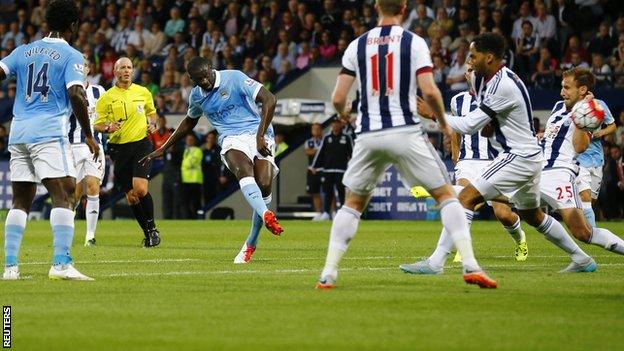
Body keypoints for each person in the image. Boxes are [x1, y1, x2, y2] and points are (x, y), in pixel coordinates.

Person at [315, 0, 497, 290]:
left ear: (376, 7)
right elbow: (428, 89)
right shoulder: (413, 42)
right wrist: (442, 121)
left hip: (368, 134)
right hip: (405, 131)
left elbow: (338, 97)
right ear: (403, 8)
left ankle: (328, 272)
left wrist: (344, 115)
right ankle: (471, 265)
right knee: (447, 196)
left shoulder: (356, 46)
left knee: (352, 204)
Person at [404, 33, 596, 275]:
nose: (469, 61)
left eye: (473, 56)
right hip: (530, 157)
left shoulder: (501, 85)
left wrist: (433, 114)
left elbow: (470, 126)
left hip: (518, 158)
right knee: (533, 216)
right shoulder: (495, 80)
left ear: (490, 57)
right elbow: (487, 127)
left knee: (466, 198)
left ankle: (435, 263)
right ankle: (581, 258)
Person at [140, 56, 283, 264]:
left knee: (264, 184)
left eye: (205, 77)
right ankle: (266, 215)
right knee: (243, 170)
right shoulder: (197, 95)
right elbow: (189, 122)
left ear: (211, 69)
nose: (204, 82)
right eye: (198, 80)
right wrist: (164, 147)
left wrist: (260, 136)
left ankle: (251, 243)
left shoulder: (234, 78)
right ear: (191, 79)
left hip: (258, 132)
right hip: (231, 138)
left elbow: (270, 99)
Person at [1, 0, 98, 281]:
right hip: (48, 132)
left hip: (18, 132)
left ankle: (10, 268)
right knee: (66, 194)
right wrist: (89, 135)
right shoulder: (71, 56)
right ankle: (60, 264)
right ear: (73, 25)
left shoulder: (23, 50)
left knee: (20, 200)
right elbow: (77, 94)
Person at [538, 67, 624, 256]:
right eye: (562, 87)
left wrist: (589, 123)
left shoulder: (594, 108)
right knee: (524, 209)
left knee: (586, 217)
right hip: (551, 168)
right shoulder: (557, 107)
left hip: (579, 164)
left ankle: (586, 249)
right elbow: (556, 132)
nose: (562, 92)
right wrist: (544, 135)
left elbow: (581, 145)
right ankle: (583, 254)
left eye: (567, 88)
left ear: (583, 89)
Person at [447, 64, 528, 262]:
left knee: (503, 214)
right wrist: (455, 154)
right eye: (467, 70)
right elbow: (455, 130)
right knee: (464, 201)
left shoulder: (497, 95)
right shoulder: (457, 101)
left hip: (494, 161)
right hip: (467, 161)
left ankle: (520, 238)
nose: (469, 73)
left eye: (473, 70)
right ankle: (462, 248)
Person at [93, 57, 161, 247]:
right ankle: (147, 233)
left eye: (129, 67)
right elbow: (96, 124)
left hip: (141, 144)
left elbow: (151, 112)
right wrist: (108, 128)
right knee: (131, 196)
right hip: (118, 149)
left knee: (140, 189)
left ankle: (153, 228)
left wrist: (153, 123)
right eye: (122, 67)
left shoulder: (143, 92)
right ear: (115, 72)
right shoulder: (106, 97)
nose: (126, 71)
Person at [69, 58, 106, 247]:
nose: (80, 67)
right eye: (78, 64)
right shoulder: (67, 90)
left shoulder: (100, 92)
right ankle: (67, 229)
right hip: (71, 146)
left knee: (93, 187)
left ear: (89, 69)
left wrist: (106, 128)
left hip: (94, 146)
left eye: (83, 64)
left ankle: (90, 236)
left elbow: (105, 117)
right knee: (73, 194)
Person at [575, 86, 616, 228]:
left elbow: (612, 126)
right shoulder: (573, 107)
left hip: (597, 159)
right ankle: (592, 235)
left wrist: (601, 132)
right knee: (584, 198)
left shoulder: (599, 105)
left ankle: (584, 230)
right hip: (579, 158)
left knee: (590, 201)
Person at [310, 118, 353, 220]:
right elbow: (320, 153)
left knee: (341, 192)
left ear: (340, 125)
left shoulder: (346, 138)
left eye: (337, 124)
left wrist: (352, 167)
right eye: (333, 124)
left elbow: (352, 154)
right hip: (328, 170)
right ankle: (326, 212)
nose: (335, 126)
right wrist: (314, 166)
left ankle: (342, 212)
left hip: (341, 170)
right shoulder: (327, 138)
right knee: (328, 192)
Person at [181, 132, 203, 219]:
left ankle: (196, 218)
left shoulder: (197, 150)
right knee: (186, 201)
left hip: (195, 179)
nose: (189, 141)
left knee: (196, 201)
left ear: (194, 141)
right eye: (188, 140)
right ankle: (188, 218)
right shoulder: (186, 150)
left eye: (191, 140)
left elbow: (192, 162)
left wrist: (184, 165)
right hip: (186, 179)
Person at [305, 123, 324, 219]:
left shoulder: (325, 141)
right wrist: (320, 150)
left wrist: (315, 150)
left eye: (317, 129)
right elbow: (308, 151)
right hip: (312, 170)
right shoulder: (309, 142)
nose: (315, 131)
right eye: (313, 129)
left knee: (328, 192)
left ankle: (331, 212)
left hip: (323, 169)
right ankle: (319, 213)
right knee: (315, 192)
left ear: (321, 130)